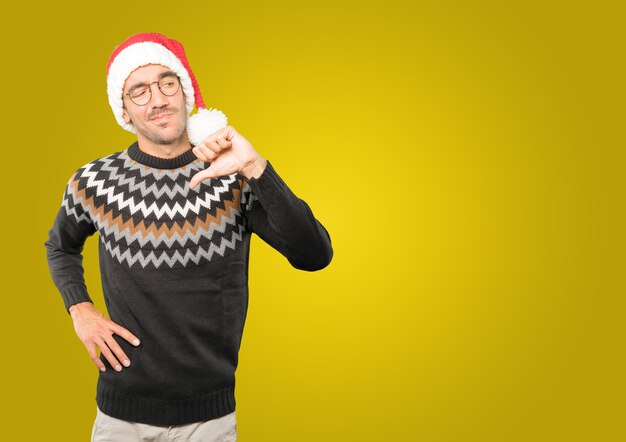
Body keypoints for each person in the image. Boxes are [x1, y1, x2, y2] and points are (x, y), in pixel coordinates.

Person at [44, 32, 333, 442]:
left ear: (185, 93)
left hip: (209, 420)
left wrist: (255, 166)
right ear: (124, 111)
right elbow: (60, 246)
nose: (157, 99)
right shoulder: (94, 181)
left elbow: (314, 254)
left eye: (167, 83)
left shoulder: (233, 177)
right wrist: (80, 309)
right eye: (139, 92)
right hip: (119, 416)